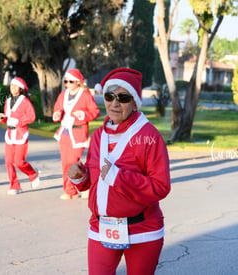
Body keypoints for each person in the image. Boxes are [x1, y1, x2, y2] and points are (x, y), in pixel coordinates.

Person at [68, 68, 171, 275]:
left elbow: (161, 186)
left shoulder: (149, 136)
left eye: (123, 97)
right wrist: (81, 176)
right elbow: (96, 177)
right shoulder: (99, 135)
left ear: (134, 103)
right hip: (101, 227)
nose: (115, 103)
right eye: (109, 96)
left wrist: (119, 177)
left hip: (142, 231)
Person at [52, 69, 99, 200]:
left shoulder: (85, 95)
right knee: (65, 163)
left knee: (73, 162)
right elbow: (58, 108)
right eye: (65, 81)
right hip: (64, 132)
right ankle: (70, 191)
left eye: (70, 81)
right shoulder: (63, 94)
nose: (67, 83)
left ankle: (85, 185)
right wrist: (56, 114)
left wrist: (83, 115)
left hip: (78, 133)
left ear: (78, 82)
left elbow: (95, 112)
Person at [0, 77, 40, 195]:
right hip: (9, 134)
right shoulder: (7, 101)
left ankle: (32, 173)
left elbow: (31, 117)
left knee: (19, 162)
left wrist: (19, 121)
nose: (13, 88)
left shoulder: (25, 101)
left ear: (21, 89)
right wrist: (2, 118)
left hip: (21, 134)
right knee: (8, 162)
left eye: (15, 86)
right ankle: (14, 185)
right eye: (11, 86)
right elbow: (7, 118)